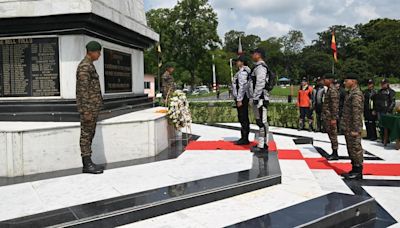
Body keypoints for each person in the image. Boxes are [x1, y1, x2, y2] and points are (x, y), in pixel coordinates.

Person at [76, 41, 104, 174]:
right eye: (98, 52)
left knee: (89, 134)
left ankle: (89, 162)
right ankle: (87, 164)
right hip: (88, 109)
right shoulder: (85, 67)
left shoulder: (89, 66)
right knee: (86, 135)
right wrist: (86, 110)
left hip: (92, 108)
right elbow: (83, 90)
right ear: (91, 52)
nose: (99, 54)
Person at [341, 73, 364, 180]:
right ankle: (354, 168)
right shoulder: (350, 93)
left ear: (353, 82)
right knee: (351, 148)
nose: (344, 83)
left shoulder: (356, 95)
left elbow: (356, 113)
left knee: (356, 148)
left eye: (347, 81)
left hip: (353, 127)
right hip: (348, 126)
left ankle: (358, 171)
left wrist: (356, 129)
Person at [249, 48, 270, 153]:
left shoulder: (260, 67)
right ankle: (262, 143)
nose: (252, 55)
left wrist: (256, 97)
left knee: (262, 122)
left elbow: (260, 82)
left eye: (253, 53)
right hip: (259, 97)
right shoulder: (257, 67)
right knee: (260, 121)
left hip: (260, 98)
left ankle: (263, 145)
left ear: (258, 54)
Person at [232, 56, 251, 145]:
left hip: (243, 97)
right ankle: (244, 136)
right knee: (243, 117)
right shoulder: (242, 71)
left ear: (242, 62)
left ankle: (245, 138)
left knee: (243, 117)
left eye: (238, 61)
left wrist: (239, 99)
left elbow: (242, 86)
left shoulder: (243, 72)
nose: (236, 63)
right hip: (242, 97)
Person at [322, 76, 340, 161]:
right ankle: (334, 151)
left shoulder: (332, 90)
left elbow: (334, 105)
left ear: (329, 80)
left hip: (330, 117)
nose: (324, 81)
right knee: (331, 134)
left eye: (325, 79)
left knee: (333, 134)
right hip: (328, 116)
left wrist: (333, 118)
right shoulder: (329, 89)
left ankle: (335, 152)